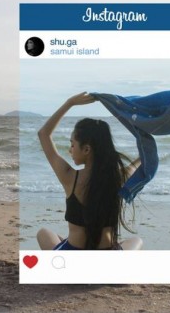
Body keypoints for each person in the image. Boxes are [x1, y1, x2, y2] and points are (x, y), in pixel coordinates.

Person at [35, 92, 142, 250]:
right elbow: (139, 162)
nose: (70, 150)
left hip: (73, 255)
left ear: (86, 149)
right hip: (107, 256)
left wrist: (69, 102)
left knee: (43, 233)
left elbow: (43, 134)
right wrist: (145, 142)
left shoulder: (70, 176)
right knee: (136, 241)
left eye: (72, 144)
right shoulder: (119, 177)